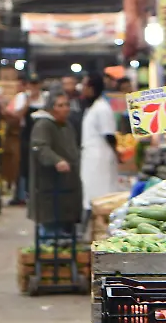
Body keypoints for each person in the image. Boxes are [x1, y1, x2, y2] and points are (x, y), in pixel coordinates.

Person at [29, 90, 82, 241]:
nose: (65, 108)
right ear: (51, 108)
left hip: (67, 191)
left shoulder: (67, 125)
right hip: (50, 191)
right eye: (60, 105)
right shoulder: (43, 125)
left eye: (67, 105)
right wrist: (56, 160)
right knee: (51, 238)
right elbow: (40, 148)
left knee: (66, 236)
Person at [81, 73, 120, 216]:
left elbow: (109, 135)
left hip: (100, 157)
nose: (82, 89)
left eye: (85, 86)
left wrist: (118, 154)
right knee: (91, 191)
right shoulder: (91, 107)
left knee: (102, 194)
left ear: (92, 88)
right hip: (91, 156)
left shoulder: (102, 108)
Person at [8, 75, 45, 205]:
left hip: (42, 135)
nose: (34, 87)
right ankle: (23, 194)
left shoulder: (45, 98)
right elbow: (16, 116)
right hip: (26, 135)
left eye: (36, 84)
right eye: (31, 84)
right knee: (24, 164)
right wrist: (27, 103)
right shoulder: (22, 97)